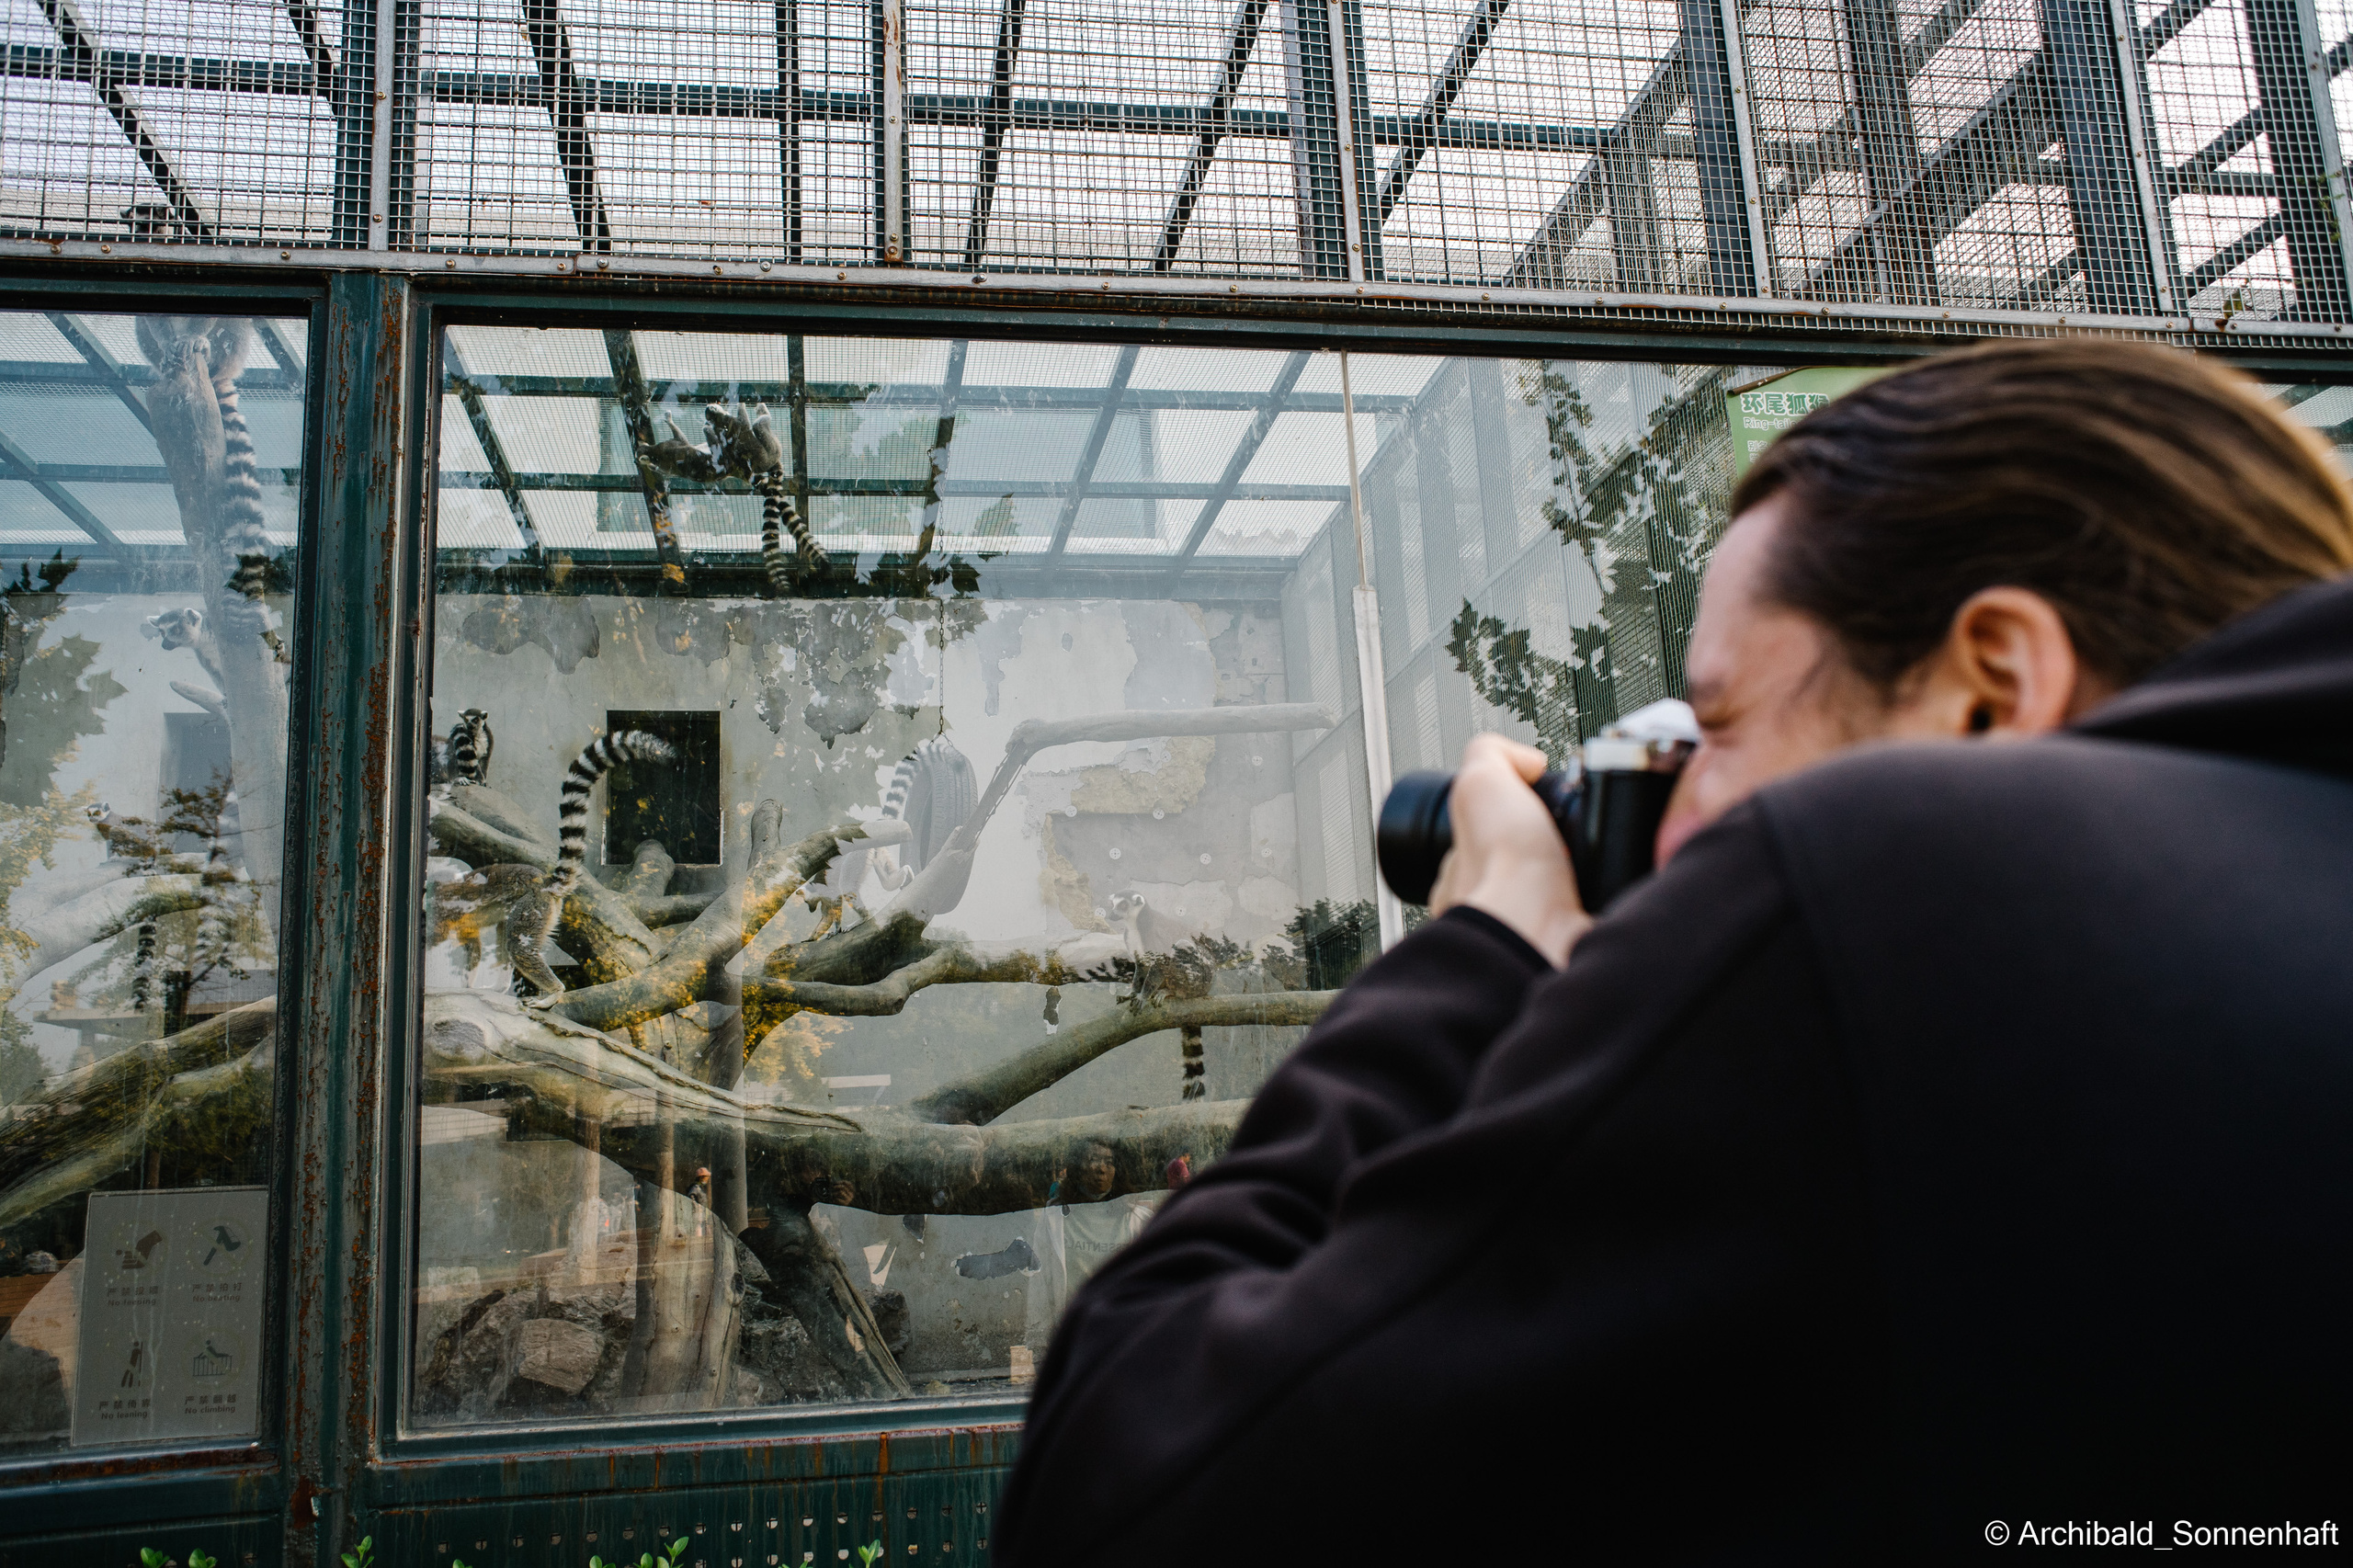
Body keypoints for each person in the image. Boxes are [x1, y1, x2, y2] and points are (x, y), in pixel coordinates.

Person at [996, 340, 2353, 1563]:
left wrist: (1479, 948)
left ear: (1992, 682)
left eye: (1719, 719)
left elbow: (1125, 1496)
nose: (1688, 810)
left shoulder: (1880, 886)